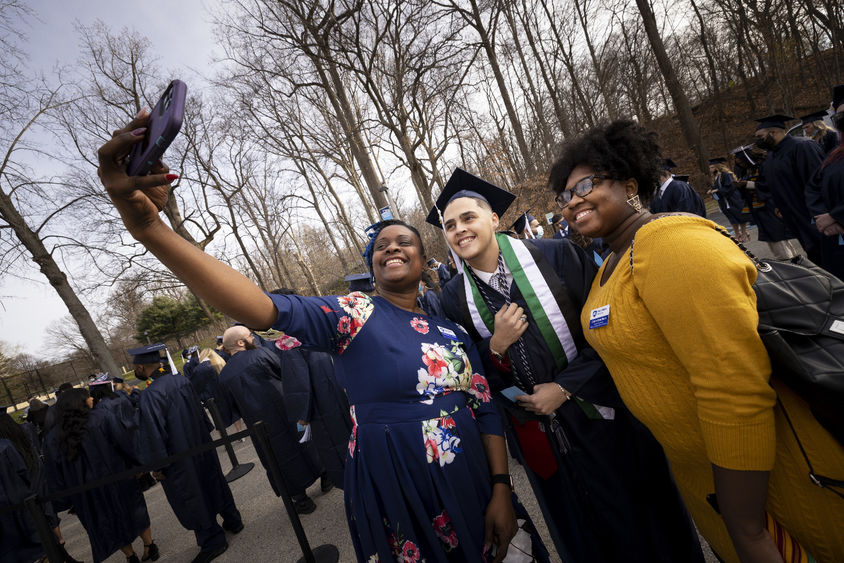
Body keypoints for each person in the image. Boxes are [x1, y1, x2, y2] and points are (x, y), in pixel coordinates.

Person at [97, 111, 547, 562]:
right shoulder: (350, 315)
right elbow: (257, 305)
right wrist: (149, 228)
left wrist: (502, 488)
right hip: (396, 481)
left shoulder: (450, 330)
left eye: (403, 241)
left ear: (424, 256)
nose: (391, 246)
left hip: (470, 474)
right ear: (372, 265)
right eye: (380, 246)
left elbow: (485, 409)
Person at [548, 118, 844, 563]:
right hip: (703, 480)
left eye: (587, 184)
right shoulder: (612, 261)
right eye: (565, 195)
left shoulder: (670, 245)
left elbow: (733, 383)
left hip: (767, 483)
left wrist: (745, 522)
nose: (574, 201)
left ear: (630, 184)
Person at [431, 168, 703, 563]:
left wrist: (564, 388)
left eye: (468, 217)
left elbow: (614, 329)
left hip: (602, 414)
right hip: (538, 433)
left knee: (645, 521)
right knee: (580, 531)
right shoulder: (454, 296)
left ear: (493, 218)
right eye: (450, 225)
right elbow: (471, 375)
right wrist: (495, 346)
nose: (460, 230)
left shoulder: (555, 254)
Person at [131, 344, 243, 563]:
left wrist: (158, 465)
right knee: (213, 482)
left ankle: (212, 540)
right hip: (200, 443)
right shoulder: (181, 380)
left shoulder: (150, 395)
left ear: (141, 367)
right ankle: (233, 520)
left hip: (178, 456)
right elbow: (201, 413)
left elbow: (154, 434)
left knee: (192, 494)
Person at [217, 325, 323, 514]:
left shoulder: (224, 375)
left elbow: (230, 410)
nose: (254, 339)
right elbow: (285, 374)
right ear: (241, 343)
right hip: (286, 411)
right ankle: (325, 475)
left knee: (277, 459)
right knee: (305, 443)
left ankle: (300, 498)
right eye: (250, 336)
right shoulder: (261, 355)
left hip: (259, 425)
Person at [44, 388, 156, 563]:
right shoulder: (102, 417)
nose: (91, 398)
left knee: (109, 523)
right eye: (87, 396)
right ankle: (149, 546)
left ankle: (130, 556)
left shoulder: (52, 438)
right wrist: (137, 464)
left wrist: (67, 500)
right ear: (78, 402)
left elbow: (54, 473)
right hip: (119, 478)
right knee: (135, 512)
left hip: (87, 492)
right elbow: (124, 442)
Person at [1, 412, 83, 563]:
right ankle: (60, 548)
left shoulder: (5, 445)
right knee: (46, 522)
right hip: (34, 485)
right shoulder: (22, 432)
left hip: (16, 499)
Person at [754, 113, 825, 263]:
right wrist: (779, 205)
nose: (757, 141)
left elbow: (819, 181)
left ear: (772, 132)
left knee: (829, 252)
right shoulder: (771, 157)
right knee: (814, 254)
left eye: (760, 136)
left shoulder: (802, 147)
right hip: (794, 216)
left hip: (814, 214)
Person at [730, 145, 800, 261]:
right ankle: (791, 259)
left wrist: (747, 184)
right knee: (773, 238)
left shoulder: (764, 166)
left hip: (770, 207)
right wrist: (741, 186)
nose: (740, 165)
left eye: (741, 162)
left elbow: (770, 185)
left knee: (777, 236)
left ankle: (788, 261)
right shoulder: (749, 169)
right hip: (759, 210)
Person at [806, 85, 844, 280]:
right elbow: (813, 187)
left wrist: (836, 216)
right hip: (836, 243)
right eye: (840, 116)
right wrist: (822, 216)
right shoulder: (835, 155)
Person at [708, 158, 749, 242]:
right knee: (731, 218)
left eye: (712, 167)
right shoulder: (715, 177)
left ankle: (744, 233)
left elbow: (730, 187)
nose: (710, 169)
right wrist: (712, 192)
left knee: (739, 215)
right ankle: (737, 234)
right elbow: (716, 191)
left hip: (732, 199)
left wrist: (718, 190)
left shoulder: (726, 175)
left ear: (717, 166)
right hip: (723, 201)